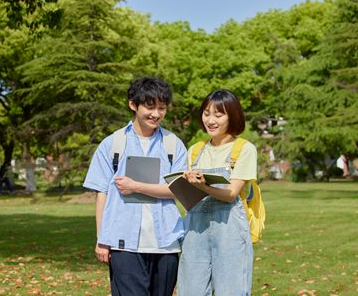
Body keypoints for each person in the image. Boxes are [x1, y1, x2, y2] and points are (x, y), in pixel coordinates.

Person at [83, 77, 188, 296]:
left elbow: (179, 189)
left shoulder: (173, 144)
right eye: (150, 107)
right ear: (133, 104)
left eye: (162, 108)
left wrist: (136, 186)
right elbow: (101, 193)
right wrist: (102, 240)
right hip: (124, 245)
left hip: (166, 244)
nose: (156, 114)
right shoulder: (113, 144)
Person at [177, 89, 257, 296]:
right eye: (206, 113)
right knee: (190, 290)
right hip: (196, 228)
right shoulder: (195, 150)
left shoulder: (244, 149)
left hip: (229, 228)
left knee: (231, 290)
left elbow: (231, 193)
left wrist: (203, 186)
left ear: (232, 116)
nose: (210, 120)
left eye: (218, 115)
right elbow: (188, 196)